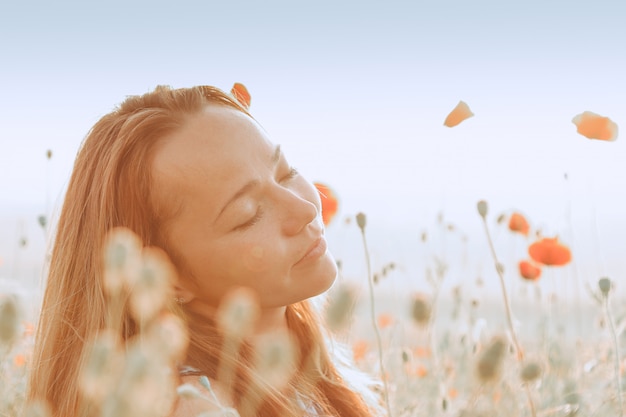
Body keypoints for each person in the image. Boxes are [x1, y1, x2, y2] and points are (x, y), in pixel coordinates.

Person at [26, 85, 384, 416]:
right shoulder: (198, 406)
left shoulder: (301, 372)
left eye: (286, 173)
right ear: (165, 279)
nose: (305, 209)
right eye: (247, 214)